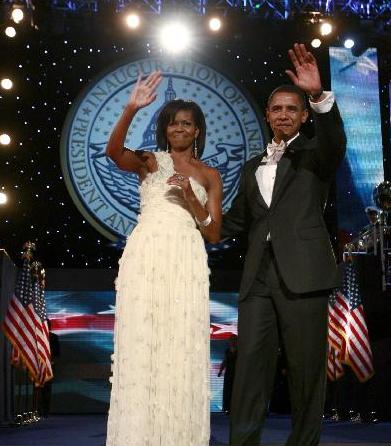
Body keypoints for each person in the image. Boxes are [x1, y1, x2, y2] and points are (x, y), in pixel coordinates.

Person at [221, 43, 347, 446]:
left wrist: (318, 94)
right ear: (267, 115)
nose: (284, 115)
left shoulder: (316, 155)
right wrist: (187, 220)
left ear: (304, 115)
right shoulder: (250, 167)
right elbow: (237, 221)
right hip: (258, 276)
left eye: (292, 109)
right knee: (250, 370)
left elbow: (334, 142)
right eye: (277, 109)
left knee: (306, 370)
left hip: (304, 275)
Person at [105, 71, 223, 446]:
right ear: (165, 129)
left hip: (186, 260)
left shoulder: (209, 175)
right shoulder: (150, 162)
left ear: (197, 131)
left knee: (181, 342)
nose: (179, 129)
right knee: (144, 339)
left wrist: (191, 201)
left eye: (186, 123)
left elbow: (214, 233)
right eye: (173, 123)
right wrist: (130, 108)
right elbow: (113, 153)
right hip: (148, 255)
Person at [218, 334, 238, 414]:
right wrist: (220, 371)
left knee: (236, 391)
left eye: (234, 340)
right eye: (231, 340)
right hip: (229, 373)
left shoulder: (240, 350)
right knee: (228, 391)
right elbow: (224, 362)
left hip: (237, 373)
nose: (232, 342)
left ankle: (236, 409)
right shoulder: (227, 351)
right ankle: (228, 409)